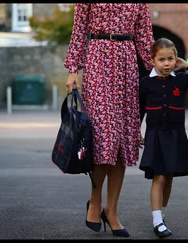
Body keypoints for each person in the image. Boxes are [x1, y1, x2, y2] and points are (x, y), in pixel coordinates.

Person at [64, 3, 155, 237]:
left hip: (127, 61)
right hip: (98, 59)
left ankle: (111, 210)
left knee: (123, 140)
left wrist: (161, 70)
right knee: (104, 137)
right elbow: (79, 29)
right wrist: (73, 69)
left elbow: (145, 37)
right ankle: (95, 202)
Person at [139, 38, 188, 238]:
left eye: (170, 59)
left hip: (176, 134)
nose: (166, 63)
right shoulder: (146, 83)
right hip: (155, 134)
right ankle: (156, 221)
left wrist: (187, 65)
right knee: (159, 176)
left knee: (169, 176)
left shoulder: (181, 78)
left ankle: (161, 215)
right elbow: (139, 109)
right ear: (152, 60)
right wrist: (137, 129)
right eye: (161, 59)